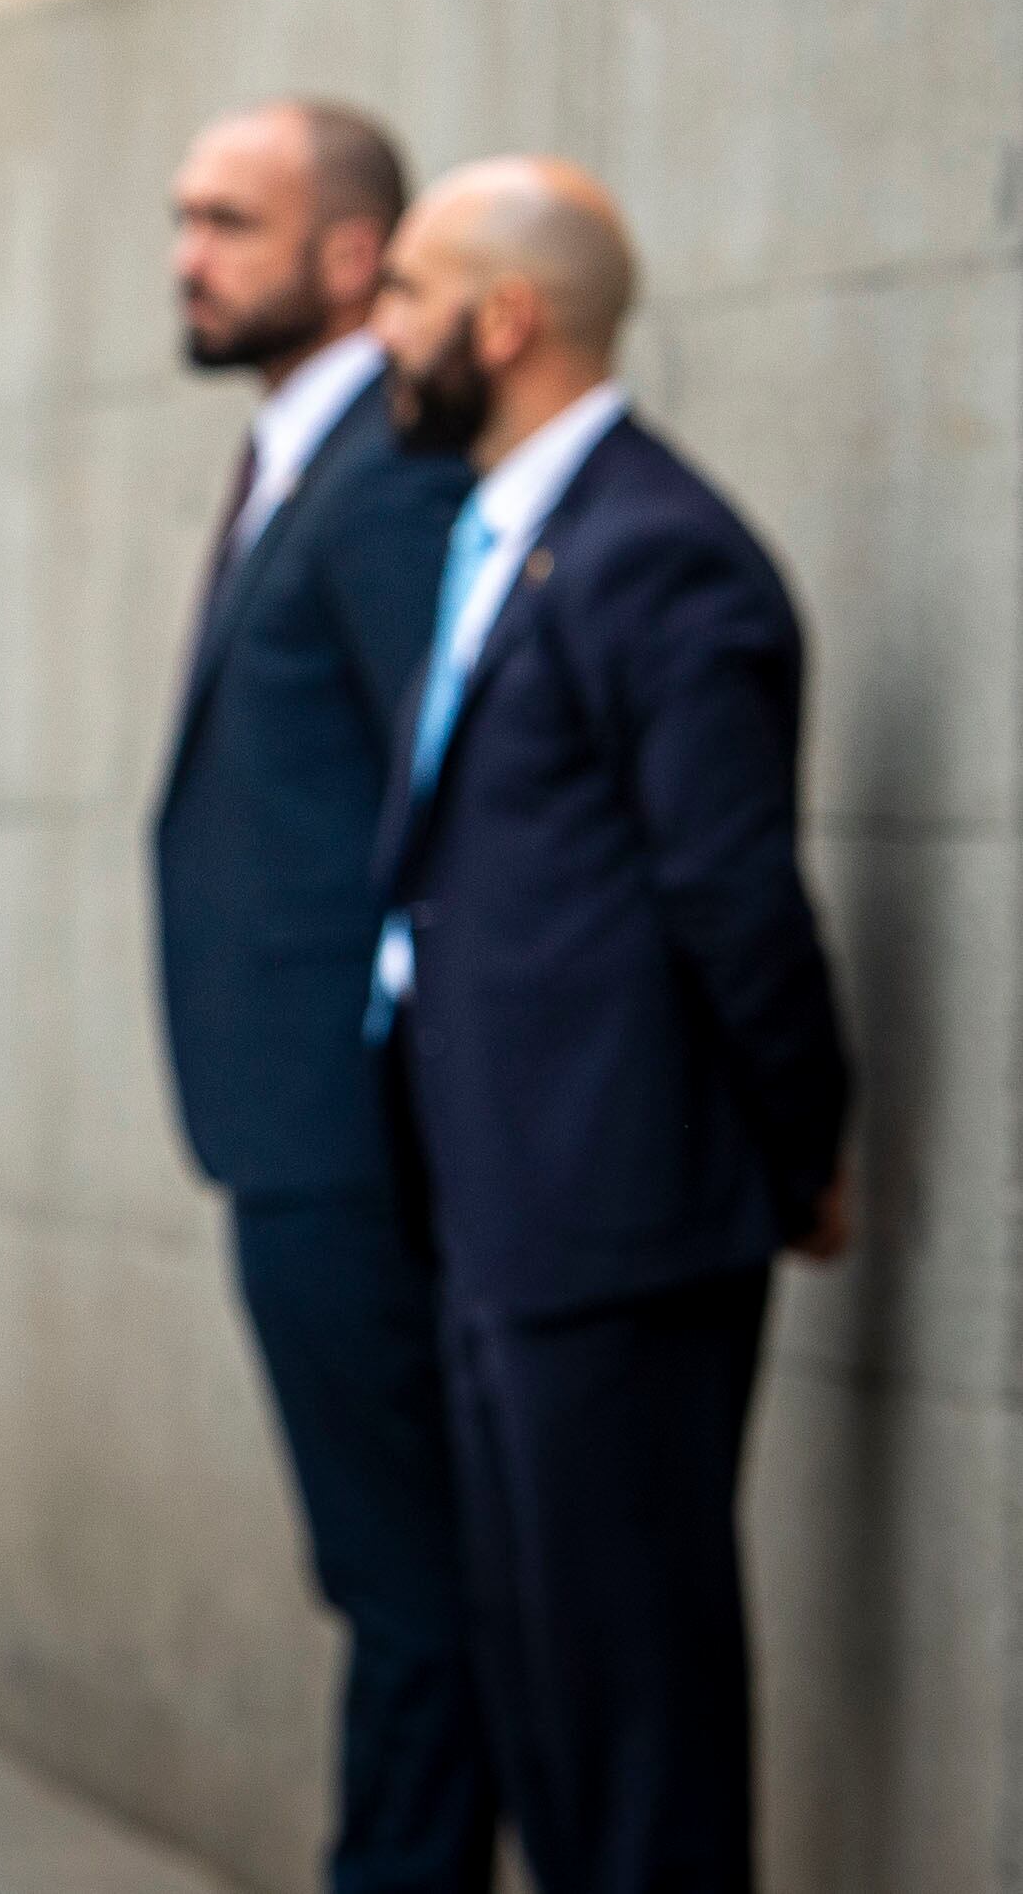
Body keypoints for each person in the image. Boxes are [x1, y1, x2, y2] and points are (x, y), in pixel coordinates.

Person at [364, 157, 855, 1894]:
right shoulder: (504, 526)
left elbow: (736, 897)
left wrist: (803, 1149)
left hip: (615, 1222)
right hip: (500, 1209)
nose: (376, 327)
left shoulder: (663, 556)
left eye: (404, 291)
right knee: (549, 1692)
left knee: (635, 1710)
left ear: (507, 318)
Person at [152, 103, 491, 1894]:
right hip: (294, 1126)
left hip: (358, 1140)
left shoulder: (387, 475)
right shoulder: (304, 455)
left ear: (352, 253)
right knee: (388, 1570)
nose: (184, 251)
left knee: (410, 1576)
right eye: (182, 215)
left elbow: (455, 817)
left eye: (227, 219)